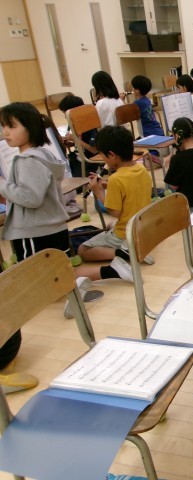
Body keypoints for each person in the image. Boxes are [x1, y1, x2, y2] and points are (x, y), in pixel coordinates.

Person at [0, 102, 71, 392]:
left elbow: (29, 198)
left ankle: (62, 296)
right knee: (52, 269)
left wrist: (3, 186)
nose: (5, 132)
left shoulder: (27, 160)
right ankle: (69, 292)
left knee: (30, 277)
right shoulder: (45, 154)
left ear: (29, 128)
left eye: (11, 126)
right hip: (51, 226)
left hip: (34, 228)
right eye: (3, 126)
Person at [70, 126, 152, 291]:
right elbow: (129, 189)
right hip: (141, 227)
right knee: (108, 227)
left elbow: (115, 212)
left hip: (125, 232)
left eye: (103, 155)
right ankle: (133, 249)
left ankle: (125, 253)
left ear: (112, 155)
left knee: (83, 250)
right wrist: (106, 185)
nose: (103, 160)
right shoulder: (141, 169)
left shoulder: (116, 178)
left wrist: (99, 192)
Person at [58, 95, 99, 177]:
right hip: (78, 158)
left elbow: (94, 150)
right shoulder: (76, 124)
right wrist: (72, 143)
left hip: (88, 162)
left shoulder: (89, 125)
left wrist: (75, 139)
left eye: (65, 113)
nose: (65, 116)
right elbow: (82, 143)